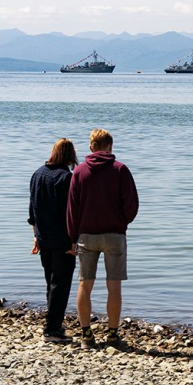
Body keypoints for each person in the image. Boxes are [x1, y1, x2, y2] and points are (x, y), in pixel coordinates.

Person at [67, 129, 139, 349]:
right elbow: (132, 205)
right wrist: (121, 223)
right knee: (114, 286)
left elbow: (72, 209)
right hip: (114, 235)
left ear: (91, 147)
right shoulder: (120, 170)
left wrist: (72, 237)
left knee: (84, 285)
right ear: (110, 146)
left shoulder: (79, 172)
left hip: (86, 236)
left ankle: (87, 335)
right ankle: (113, 335)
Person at [29, 138, 80, 343]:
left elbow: (33, 209)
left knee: (50, 282)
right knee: (61, 283)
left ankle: (53, 324)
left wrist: (35, 235)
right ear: (70, 156)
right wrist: (74, 240)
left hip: (43, 238)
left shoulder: (37, 174)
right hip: (62, 240)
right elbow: (71, 213)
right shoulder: (66, 178)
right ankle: (52, 329)